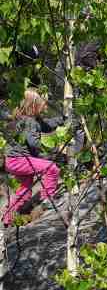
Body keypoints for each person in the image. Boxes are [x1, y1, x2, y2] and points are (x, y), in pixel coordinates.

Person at [2, 89, 60, 226]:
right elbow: (33, 143)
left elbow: (47, 125)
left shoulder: (28, 119)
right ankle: (48, 200)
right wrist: (51, 151)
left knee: (24, 191)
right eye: (42, 104)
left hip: (13, 161)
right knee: (52, 168)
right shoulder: (28, 122)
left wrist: (61, 120)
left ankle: (6, 218)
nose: (45, 107)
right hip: (19, 160)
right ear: (33, 106)